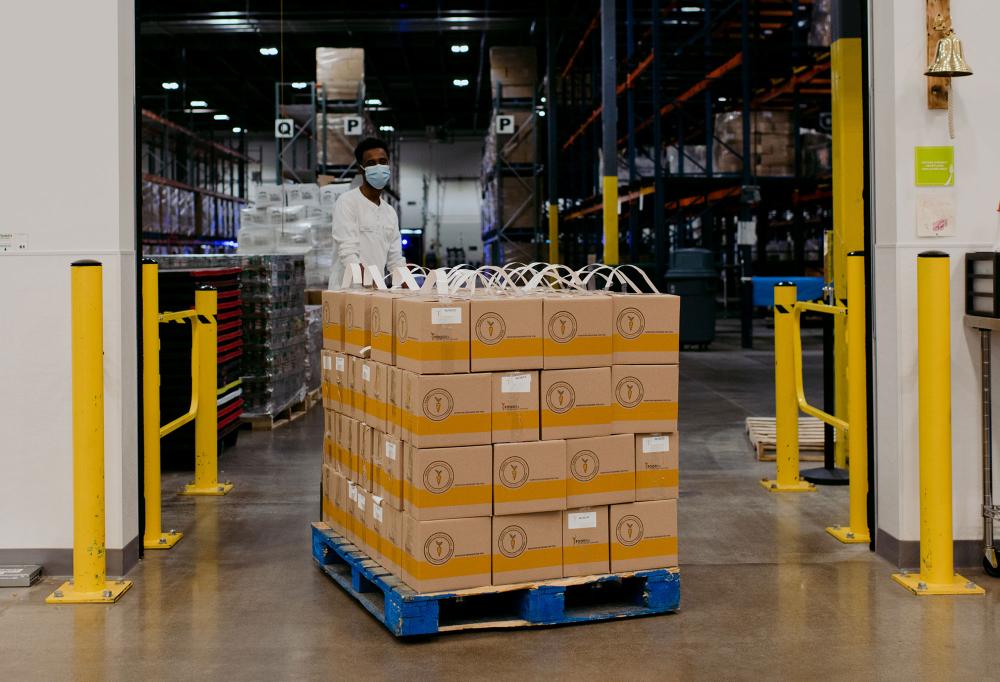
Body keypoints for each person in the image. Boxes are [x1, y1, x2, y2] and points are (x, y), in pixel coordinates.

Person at [328, 137, 406, 289]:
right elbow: (348, 252)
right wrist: (373, 284)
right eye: (371, 163)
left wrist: (409, 286)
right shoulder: (348, 202)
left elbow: (395, 259)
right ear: (360, 169)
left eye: (383, 162)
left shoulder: (389, 212)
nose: (379, 167)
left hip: (375, 294)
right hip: (347, 292)